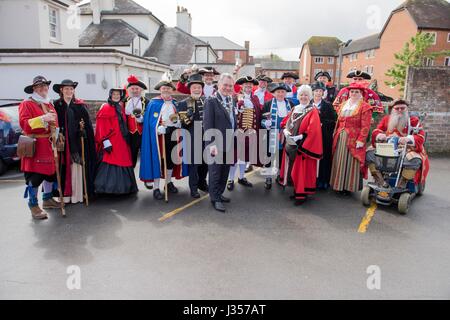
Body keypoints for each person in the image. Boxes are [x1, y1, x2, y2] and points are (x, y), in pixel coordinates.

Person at [140, 74, 187, 200]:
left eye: (168, 88)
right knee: (158, 160)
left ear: (172, 90)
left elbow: (179, 118)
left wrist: (178, 123)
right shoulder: (153, 103)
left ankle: (168, 183)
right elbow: (148, 121)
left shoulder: (175, 103)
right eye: (164, 88)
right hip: (159, 136)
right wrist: (156, 128)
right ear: (160, 89)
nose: (166, 90)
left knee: (171, 159)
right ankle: (156, 187)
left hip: (173, 134)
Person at [19, 76, 59, 219]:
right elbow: (24, 124)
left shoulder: (49, 104)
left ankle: (47, 199)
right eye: (39, 87)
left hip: (49, 145)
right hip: (35, 145)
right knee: (35, 177)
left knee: (50, 173)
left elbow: (55, 123)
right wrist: (43, 119)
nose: (43, 89)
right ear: (34, 89)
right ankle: (33, 205)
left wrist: (58, 134)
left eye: (45, 86)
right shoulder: (27, 103)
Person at [366, 99, 429, 188]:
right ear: (392, 109)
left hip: (407, 149)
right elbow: (377, 130)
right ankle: (380, 180)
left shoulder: (414, 120)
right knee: (369, 153)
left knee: (414, 159)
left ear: (407, 109)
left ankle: (401, 184)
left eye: (402, 108)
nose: (400, 110)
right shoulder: (386, 119)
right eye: (397, 108)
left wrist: (408, 139)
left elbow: (420, 137)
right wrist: (379, 135)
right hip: (387, 146)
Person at [53, 79, 96, 204]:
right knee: (64, 168)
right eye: (66, 89)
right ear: (61, 90)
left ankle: (78, 195)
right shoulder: (56, 105)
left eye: (71, 89)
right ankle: (65, 197)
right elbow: (54, 124)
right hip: (63, 143)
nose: (69, 91)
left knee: (77, 167)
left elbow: (87, 124)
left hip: (78, 142)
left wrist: (84, 133)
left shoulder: (80, 105)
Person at [279, 85, 323, 205]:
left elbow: (313, 130)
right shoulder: (294, 109)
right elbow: (287, 122)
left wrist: (299, 137)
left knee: (300, 171)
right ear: (298, 96)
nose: (304, 97)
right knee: (293, 169)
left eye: (306, 95)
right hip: (291, 144)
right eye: (302, 95)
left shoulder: (313, 110)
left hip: (302, 146)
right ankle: (295, 192)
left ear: (310, 97)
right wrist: (286, 131)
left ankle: (301, 196)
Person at [330, 83, 373, 194]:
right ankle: (337, 185)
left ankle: (348, 187)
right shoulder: (343, 104)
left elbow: (366, 126)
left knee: (351, 162)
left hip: (354, 138)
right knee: (339, 160)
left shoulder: (365, 107)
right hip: (340, 137)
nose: (353, 93)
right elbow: (338, 122)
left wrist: (361, 140)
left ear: (361, 94)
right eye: (352, 91)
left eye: (356, 92)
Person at [203, 73, 237, 213]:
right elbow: (207, 124)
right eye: (225, 85)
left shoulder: (231, 100)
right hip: (215, 143)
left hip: (229, 141)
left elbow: (232, 120)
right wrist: (211, 145)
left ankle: (220, 194)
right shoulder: (211, 101)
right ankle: (215, 199)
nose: (228, 88)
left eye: (230, 86)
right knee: (215, 172)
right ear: (219, 85)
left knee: (225, 170)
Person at [94, 88, 138, 195]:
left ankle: (124, 188)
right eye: (114, 94)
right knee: (112, 160)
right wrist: (105, 141)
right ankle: (109, 189)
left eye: (118, 94)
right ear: (110, 95)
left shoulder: (120, 107)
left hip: (122, 140)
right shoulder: (106, 107)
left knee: (123, 160)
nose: (116, 96)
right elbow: (101, 125)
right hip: (112, 140)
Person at [227, 76, 263, 191]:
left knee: (245, 157)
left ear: (253, 86)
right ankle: (231, 179)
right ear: (241, 86)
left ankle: (241, 177)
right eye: (246, 85)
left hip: (251, 134)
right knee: (234, 158)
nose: (248, 86)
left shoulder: (256, 98)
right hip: (237, 133)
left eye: (250, 85)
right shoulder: (234, 97)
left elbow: (259, 114)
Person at [177, 73, 209, 198]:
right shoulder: (184, 103)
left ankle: (202, 183)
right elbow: (183, 125)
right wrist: (187, 117)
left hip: (207, 136)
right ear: (190, 89)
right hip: (192, 137)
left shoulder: (207, 101)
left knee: (205, 163)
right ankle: (193, 188)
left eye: (199, 87)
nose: (197, 89)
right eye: (194, 87)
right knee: (194, 165)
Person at [261, 83, 294, 189]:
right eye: (278, 92)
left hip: (285, 135)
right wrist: (265, 123)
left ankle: (281, 176)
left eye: (283, 92)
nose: (280, 94)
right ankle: (268, 178)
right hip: (271, 134)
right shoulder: (268, 104)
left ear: (285, 93)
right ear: (274, 93)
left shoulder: (290, 104)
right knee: (269, 157)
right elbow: (261, 119)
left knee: (283, 156)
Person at [311, 82, 337, 190]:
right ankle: (311, 180)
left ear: (323, 93)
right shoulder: (308, 104)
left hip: (324, 136)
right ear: (313, 92)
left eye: (320, 91)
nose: (318, 93)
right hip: (310, 137)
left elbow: (334, 120)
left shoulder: (328, 105)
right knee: (311, 158)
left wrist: (322, 123)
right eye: (316, 91)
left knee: (324, 159)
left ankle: (323, 180)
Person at [124, 75, 149, 168]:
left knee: (146, 156)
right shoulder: (124, 101)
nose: (134, 91)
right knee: (131, 157)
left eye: (137, 89)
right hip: (130, 134)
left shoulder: (146, 101)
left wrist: (141, 118)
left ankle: (147, 179)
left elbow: (149, 116)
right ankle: (131, 179)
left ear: (141, 90)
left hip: (143, 133)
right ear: (129, 90)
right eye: (132, 88)